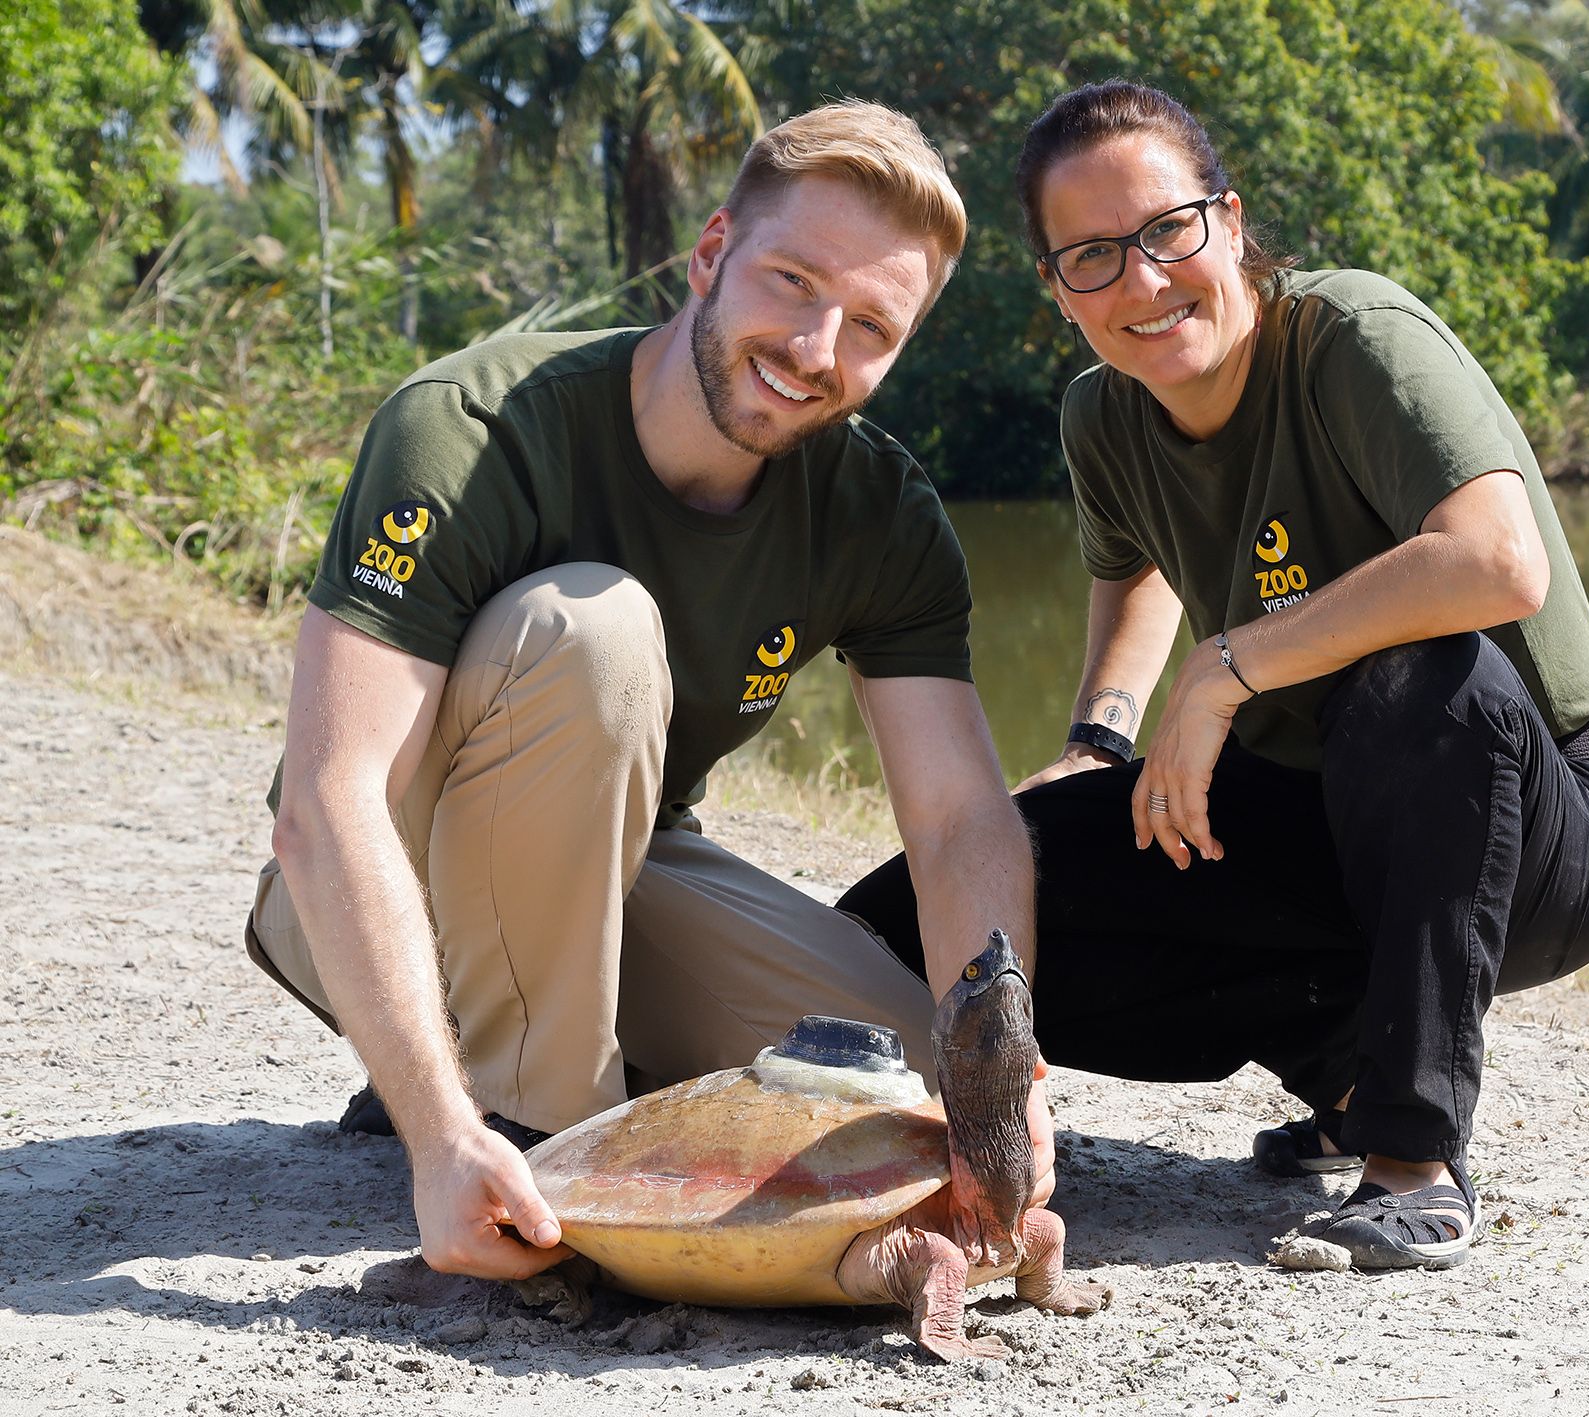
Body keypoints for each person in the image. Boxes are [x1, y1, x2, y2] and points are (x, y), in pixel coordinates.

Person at [840, 81, 1589, 1271]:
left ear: (1228, 219)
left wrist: (1223, 670)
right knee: (936, 913)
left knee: (1417, 670)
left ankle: (1411, 1157)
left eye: (1169, 230)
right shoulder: (1101, 418)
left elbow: (1495, 561)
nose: (1144, 281)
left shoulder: (1350, 338)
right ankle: (1341, 1067)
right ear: (1056, 291)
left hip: (1526, 824)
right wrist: (1100, 741)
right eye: (1094, 257)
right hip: (1304, 814)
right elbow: (1133, 572)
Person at [247, 101, 1044, 1282]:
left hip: (620, 875)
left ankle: (517, 1063)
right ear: (711, 251)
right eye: (792, 280)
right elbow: (330, 796)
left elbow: (956, 820)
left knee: (904, 1092)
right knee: (596, 627)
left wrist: (1003, 1097)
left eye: (872, 324)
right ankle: (523, 1130)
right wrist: (438, 1137)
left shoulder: (880, 513)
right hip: (379, 876)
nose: (818, 347)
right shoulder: (470, 427)